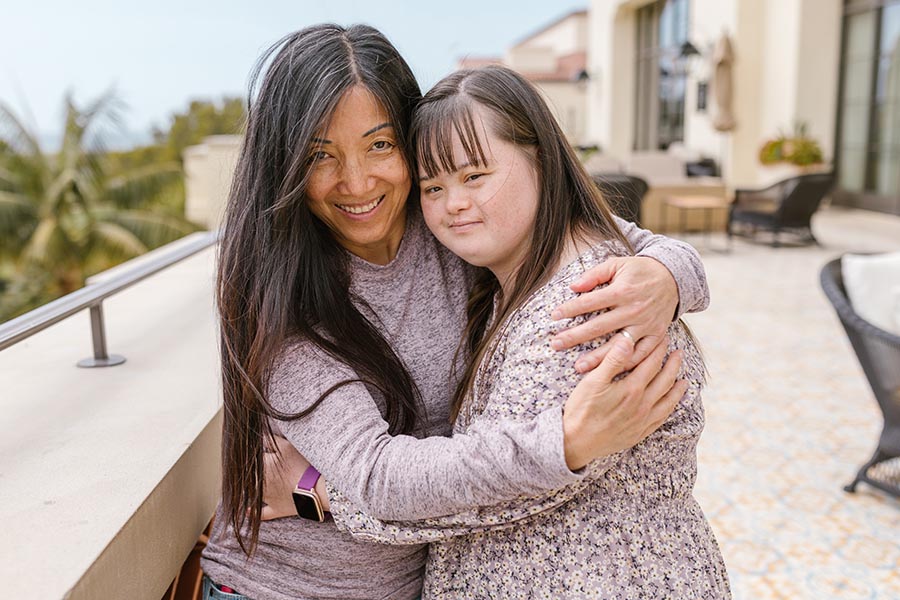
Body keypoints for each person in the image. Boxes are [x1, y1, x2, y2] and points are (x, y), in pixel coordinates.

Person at [200, 24, 710, 600]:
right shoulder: (283, 299)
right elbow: (379, 476)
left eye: (380, 145)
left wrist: (667, 274)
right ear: (286, 165)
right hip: (279, 590)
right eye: (321, 156)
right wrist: (564, 442)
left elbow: (603, 230)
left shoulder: (449, 220)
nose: (357, 182)